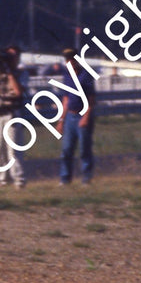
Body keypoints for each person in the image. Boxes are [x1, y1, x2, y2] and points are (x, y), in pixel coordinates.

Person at [0, 47, 26, 188]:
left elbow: (19, 92)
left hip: (12, 113)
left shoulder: (20, 73)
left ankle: (18, 180)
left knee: (13, 149)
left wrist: (10, 75)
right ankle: (2, 179)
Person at [56, 49, 96, 185]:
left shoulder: (86, 76)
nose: (70, 63)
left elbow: (91, 100)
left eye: (72, 59)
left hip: (82, 115)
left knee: (84, 148)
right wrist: (61, 120)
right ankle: (65, 178)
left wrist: (86, 117)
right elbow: (66, 99)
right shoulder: (67, 76)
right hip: (70, 117)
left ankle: (86, 177)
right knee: (67, 149)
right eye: (68, 60)